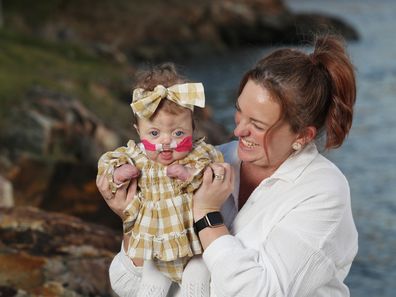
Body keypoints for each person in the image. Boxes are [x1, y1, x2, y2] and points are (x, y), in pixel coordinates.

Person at [97, 35, 358, 297]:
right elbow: (127, 285)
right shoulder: (214, 159)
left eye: (257, 125)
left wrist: (207, 214)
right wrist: (132, 220)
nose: (237, 130)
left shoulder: (322, 191)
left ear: (303, 135)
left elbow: (259, 292)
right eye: (239, 111)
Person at [97, 63, 223, 297]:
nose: (166, 142)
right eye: (154, 134)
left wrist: (190, 174)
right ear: (138, 131)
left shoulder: (198, 154)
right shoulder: (136, 156)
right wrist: (118, 172)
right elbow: (107, 161)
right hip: (155, 248)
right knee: (150, 287)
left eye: (178, 133)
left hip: (196, 246)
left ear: (193, 128)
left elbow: (215, 169)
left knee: (197, 281)